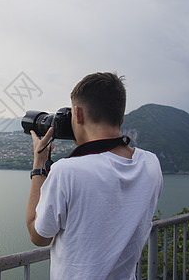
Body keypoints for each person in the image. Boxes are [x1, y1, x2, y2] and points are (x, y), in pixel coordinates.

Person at [26, 72, 163, 279]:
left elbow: (38, 236)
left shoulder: (67, 172)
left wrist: (39, 164)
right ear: (121, 118)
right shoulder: (151, 164)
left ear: (78, 114)